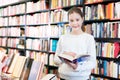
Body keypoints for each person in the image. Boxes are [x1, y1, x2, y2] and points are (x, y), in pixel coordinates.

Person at [54, 7, 96, 80]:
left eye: (77, 20)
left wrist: (77, 67)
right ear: (68, 22)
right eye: (71, 20)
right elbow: (55, 60)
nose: (74, 23)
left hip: (82, 78)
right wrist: (65, 56)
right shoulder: (63, 38)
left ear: (82, 19)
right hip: (64, 77)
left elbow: (92, 63)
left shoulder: (89, 38)